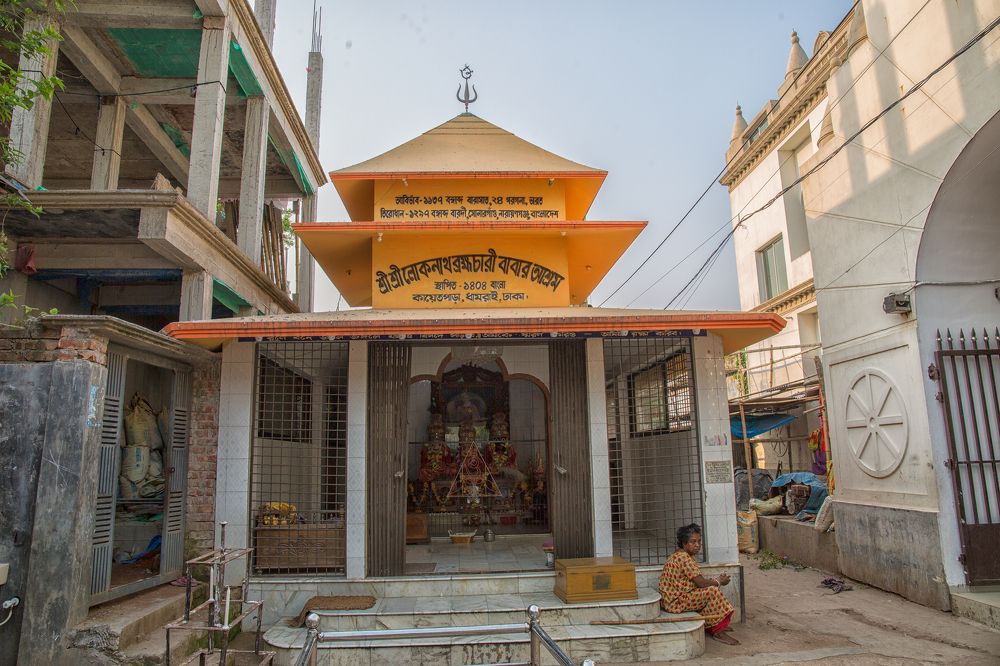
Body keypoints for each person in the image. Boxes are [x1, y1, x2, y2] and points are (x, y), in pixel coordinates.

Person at [658, 523, 739, 645]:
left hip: (674, 599)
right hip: (675, 602)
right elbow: (701, 583)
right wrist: (718, 581)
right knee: (713, 592)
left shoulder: (680, 554)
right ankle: (718, 631)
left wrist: (716, 580)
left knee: (711, 589)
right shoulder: (684, 557)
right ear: (684, 543)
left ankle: (714, 624)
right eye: (693, 542)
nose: (697, 545)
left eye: (699, 541)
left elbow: (696, 580)